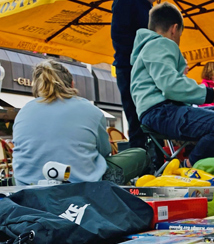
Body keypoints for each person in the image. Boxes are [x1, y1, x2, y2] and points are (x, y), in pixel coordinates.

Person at [130, 3, 214, 167]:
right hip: (161, 112)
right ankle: (190, 165)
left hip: (163, 111)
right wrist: (211, 94)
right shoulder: (161, 44)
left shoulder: (149, 48)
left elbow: (168, 83)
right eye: (180, 34)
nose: (178, 40)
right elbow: (170, 85)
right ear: (174, 29)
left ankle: (197, 159)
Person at [13, 60, 151, 185]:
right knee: (139, 154)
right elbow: (104, 152)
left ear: (37, 86)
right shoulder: (90, 110)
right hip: (83, 184)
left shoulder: (23, 112)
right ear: (72, 84)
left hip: (28, 186)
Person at [111, 0, 174, 149]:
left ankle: (154, 163)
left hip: (145, 72)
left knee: (152, 122)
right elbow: (120, 38)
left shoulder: (148, 8)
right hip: (130, 71)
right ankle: (142, 170)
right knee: (138, 124)